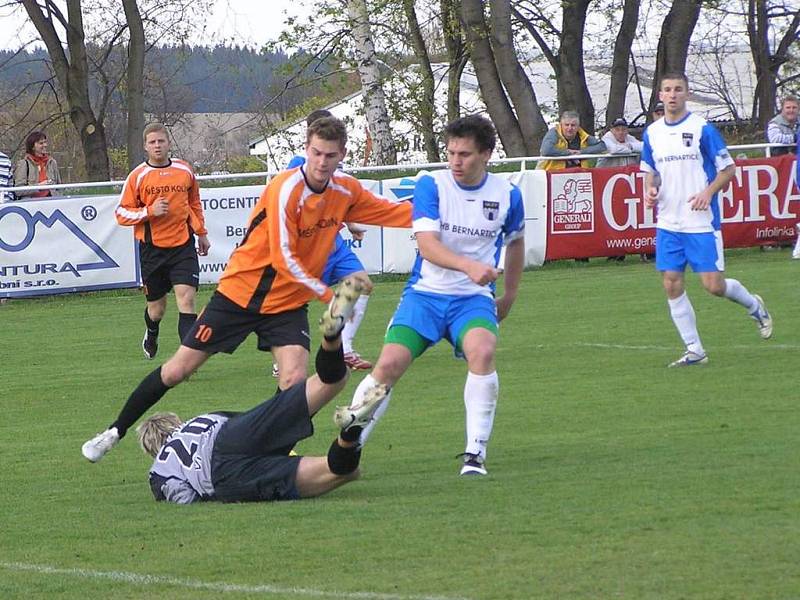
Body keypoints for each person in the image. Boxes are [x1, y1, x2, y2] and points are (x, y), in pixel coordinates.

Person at [82, 116, 412, 463]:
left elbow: (395, 213)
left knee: (295, 378)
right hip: (240, 294)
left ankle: (271, 451)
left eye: (330, 155)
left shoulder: (346, 190)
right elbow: (284, 257)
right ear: (306, 149)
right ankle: (114, 431)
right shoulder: (286, 188)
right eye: (315, 153)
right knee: (179, 369)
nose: (321, 162)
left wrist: (447, 211)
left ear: (342, 154)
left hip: (287, 302)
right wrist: (330, 298)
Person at [341, 114, 525, 477]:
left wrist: (509, 295)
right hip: (424, 295)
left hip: (472, 300)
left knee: (483, 351)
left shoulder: (507, 195)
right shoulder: (433, 185)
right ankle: (350, 443)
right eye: (452, 153)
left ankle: (475, 453)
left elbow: (516, 244)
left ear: (487, 154)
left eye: (465, 154)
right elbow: (427, 246)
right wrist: (469, 266)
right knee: (388, 365)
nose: (456, 161)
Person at [137, 287, 388, 504]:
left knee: (340, 472)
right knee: (331, 380)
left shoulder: (159, 470)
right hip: (231, 433)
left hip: (224, 474)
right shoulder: (200, 421)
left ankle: (350, 435)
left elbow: (182, 497)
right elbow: (251, 418)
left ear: (152, 448)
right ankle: (332, 340)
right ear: (176, 423)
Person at [640, 72, 773, 367]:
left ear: (686, 94)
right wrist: (650, 189)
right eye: (667, 90)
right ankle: (694, 350)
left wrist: (707, 192)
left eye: (678, 90)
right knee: (671, 283)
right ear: (660, 96)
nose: (672, 95)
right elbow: (650, 169)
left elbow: (728, 170)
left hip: (700, 220)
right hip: (668, 221)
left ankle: (753, 304)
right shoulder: (652, 133)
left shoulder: (703, 129)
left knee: (713, 286)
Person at [282, 108, 375, 371]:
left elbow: (335, 201)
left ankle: (343, 348)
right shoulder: (297, 165)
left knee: (360, 285)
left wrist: (352, 224)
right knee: (291, 301)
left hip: (335, 244)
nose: (323, 158)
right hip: (312, 246)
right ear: (310, 138)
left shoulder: (335, 165)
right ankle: (283, 355)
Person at [115, 122, 210, 359]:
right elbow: (121, 213)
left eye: (161, 141)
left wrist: (202, 233)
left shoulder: (185, 170)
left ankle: (187, 360)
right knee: (157, 310)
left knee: (187, 301)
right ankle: (152, 330)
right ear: (145, 146)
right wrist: (149, 211)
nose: (157, 145)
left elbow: (194, 203)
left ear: (168, 143)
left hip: (183, 246)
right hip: (153, 250)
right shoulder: (137, 176)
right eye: (152, 142)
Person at [537, 110, 606, 171]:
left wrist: (581, 152)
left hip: (579, 175)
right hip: (551, 174)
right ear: (561, 125)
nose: (570, 128)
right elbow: (546, 150)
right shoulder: (553, 133)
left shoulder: (582, 134)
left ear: (578, 126)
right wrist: (568, 152)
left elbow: (602, 146)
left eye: (573, 125)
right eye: (567, 125)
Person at [13, 131, 61, 198]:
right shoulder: (24, 164)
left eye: (45, 142)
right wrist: (38, 187)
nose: (45, 145)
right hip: (31, 205)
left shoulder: (52, 162)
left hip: (51, 204)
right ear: (32, 146)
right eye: (41, 143)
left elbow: (59, 187)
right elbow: (18, 191)